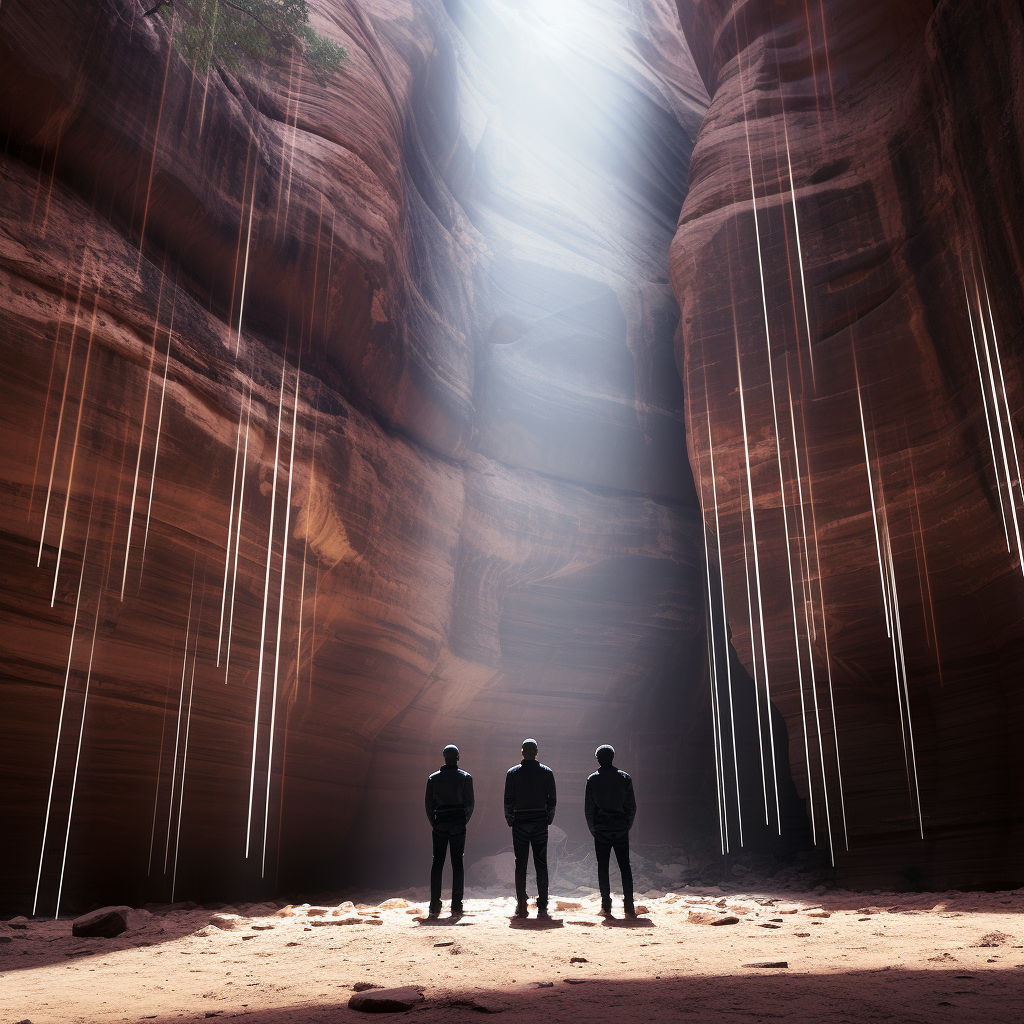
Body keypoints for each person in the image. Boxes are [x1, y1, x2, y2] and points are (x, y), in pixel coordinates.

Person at [504, 738, 557, 918]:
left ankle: (521, 905)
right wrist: (547, 819)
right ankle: (543, 905)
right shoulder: (546, 772)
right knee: (541, 864)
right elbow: (552, 800)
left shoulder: (512, 773)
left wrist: (511, 820)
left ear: (522, 752)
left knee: (521, 864)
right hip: (539, 822)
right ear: (536, 752)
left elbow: (508, 800)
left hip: (520, 822)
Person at [584, 744, 636, 917]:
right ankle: (629, 906)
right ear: (613, 757)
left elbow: (589, 809)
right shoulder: (624, 778)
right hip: (620, 828)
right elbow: (631, 807)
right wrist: (625, 826)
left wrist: (594, 829)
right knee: (625, 867)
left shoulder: (592, 779)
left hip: (602, 829)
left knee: (603, 868)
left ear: (597, 758)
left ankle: (606, 905)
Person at [424, 744, 474, 917]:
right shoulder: (466, 777)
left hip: (440, 822)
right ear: (457, 757)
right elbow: (469, 804)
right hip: (457, 822)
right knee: (457, 863)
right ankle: (456, 904)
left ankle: (434, 904)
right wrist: (462, 821)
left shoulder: (433, 778)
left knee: (437, 862)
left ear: (444, 757)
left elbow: (428, 805)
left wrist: (435, 823)